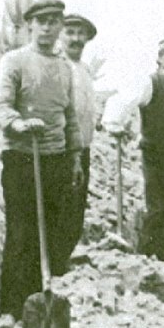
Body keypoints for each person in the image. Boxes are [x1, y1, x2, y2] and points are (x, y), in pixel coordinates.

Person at [0, 0, 81, 321]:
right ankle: (10, 310)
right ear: (30, 25)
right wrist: (18, 123)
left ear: (60, 26)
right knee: (22, 233)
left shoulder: (64, 68)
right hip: (22, 158)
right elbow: (0, 106)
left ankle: (37, 306)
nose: (47, 27)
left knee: (51, 234)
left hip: (55, 159)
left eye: (54, 21)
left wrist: (75, 157)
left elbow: (70, 117)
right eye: (41, 21)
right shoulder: (13, 62)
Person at [103, 38, 164, 265]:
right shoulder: (150, 83)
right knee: (158, 208)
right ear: (159, 58)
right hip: (156, 156)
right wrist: (115, 125)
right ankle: (148, 260)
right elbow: (122, 102)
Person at [60, 13, 100, 261]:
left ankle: (65, 258)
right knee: (62, 206)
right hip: (61, 147)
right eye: (70, 32)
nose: (76, 39)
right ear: (60, 35)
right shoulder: (56, 65)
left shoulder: (85, 70)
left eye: (80, 34)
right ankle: (56, 262)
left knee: (76, 208)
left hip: (83, 146)